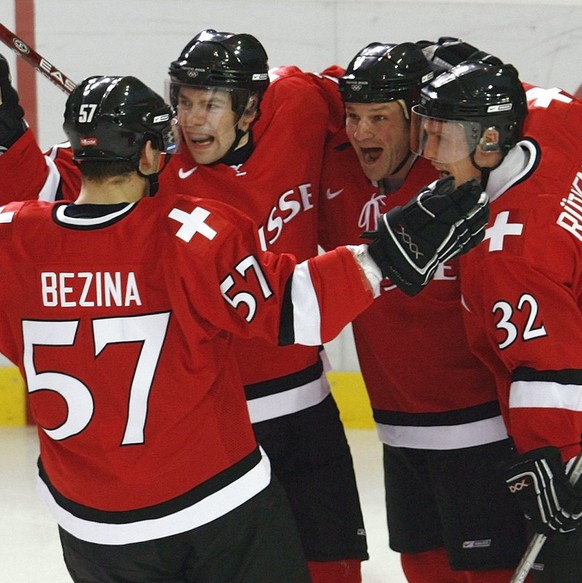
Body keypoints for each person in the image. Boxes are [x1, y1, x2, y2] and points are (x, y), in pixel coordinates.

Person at [0, 73, 487, 582]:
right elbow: (298, 308)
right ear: (148, 156)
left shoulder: (13, 238)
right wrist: (386, 256)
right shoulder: (191, 234)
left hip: (91, 523)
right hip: (211, 503)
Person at [0, 30, 360, 582]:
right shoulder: (152, 166)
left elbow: (373, 97)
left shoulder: (299, 104)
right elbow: (52, 185)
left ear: (250, 108)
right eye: (184, 101)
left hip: (302, 405)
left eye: (211, 104)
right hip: (212, 426)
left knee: (331, 564)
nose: (193, 120)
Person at [318, 41, 532, 582]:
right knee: (419, 568)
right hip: (396, 434)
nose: (362, 133)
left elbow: (522, 117)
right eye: (354, 117)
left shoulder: (460, 177)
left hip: (480, 434)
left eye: (380, 119)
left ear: (418, 120)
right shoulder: (337, 177)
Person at [410, 58, 582, 582]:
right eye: (427, 134)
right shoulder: (555, 125)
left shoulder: (505, 253)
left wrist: (551, 458)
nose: (430, 155)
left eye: (444, 139)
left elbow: (546, 370)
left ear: (489, 141)